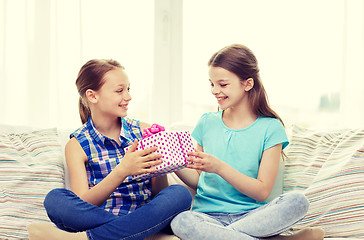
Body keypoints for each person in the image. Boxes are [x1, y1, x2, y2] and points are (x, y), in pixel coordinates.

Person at [171, 44, 325, 240]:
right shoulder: (206, 122)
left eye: (223, 84)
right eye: (211, 84)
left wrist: (219, 167)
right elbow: (198, 178)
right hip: (207, 218)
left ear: (248, 84)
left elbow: (262, 192)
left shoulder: (271, 128)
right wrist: (170, 162)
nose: (215, 90)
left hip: (252, 217)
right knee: (182, 221)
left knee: (298, 201)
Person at [27, 59, 192, 240]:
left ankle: (90, 238)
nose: (128, 97)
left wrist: (159, 166)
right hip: (104, 217)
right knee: (55, 200)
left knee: (179, 194)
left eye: (128, 89)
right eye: (120, 91)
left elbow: (158, 194)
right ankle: (143, 235)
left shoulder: (143, 130)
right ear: (92, 96)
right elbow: (84, 202)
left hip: (148, 213)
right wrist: (122, 171)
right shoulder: (77, 144)